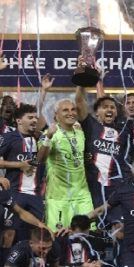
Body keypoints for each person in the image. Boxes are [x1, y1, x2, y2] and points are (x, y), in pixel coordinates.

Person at [0, 103, 45, 243]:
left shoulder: (40, 138)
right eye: (30, 117)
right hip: (14, 192)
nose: (34, 120)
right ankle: (4, 264)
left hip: (36, 195)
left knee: (37, 234)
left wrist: (44, 92)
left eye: (35, 118)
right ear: (19, 120)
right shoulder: (8, 137)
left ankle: (30, 263)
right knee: (8, 234)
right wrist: (19, 165)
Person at [75, 85, 134, 209]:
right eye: (105, 107)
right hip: (94, 185)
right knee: (95, 223)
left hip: (118, 185)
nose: (109, 109)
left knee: (119, 225)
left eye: (112, 107)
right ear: (97, 112)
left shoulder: (124, 129)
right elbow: (79, 101)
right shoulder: (90, 126)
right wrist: (82, 81)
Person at [38, 99, 93, 231]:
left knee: (87, 236)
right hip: (58, 198)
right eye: (65, 110)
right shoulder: (50, 134)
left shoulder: (80, 132)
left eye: (73, 109)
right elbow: (40, 159)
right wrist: (48, 138)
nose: (71, 113)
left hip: (82, 196)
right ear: (56, 114)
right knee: (59, 237)